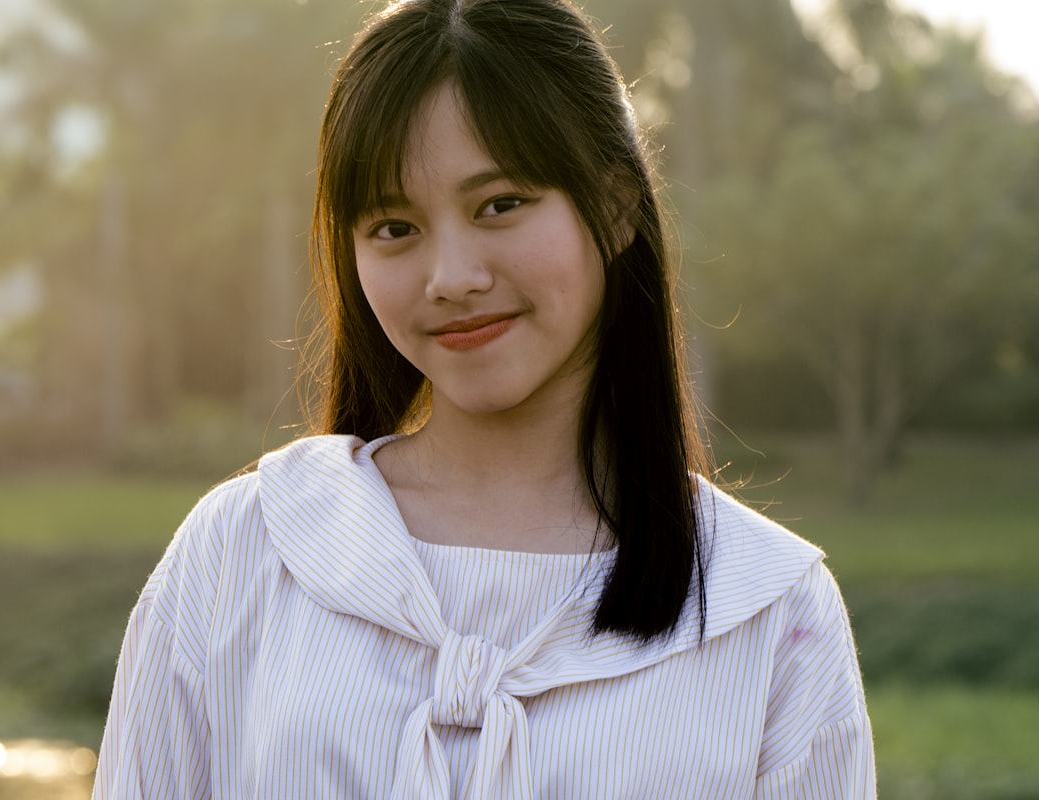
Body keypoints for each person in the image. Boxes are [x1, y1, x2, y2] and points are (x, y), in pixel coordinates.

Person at [92, 0, 876, 797]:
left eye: (499, 205)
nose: (452, 278)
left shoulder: (769, 610)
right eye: (394, 227)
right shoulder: (242, 551)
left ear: (616, 208)